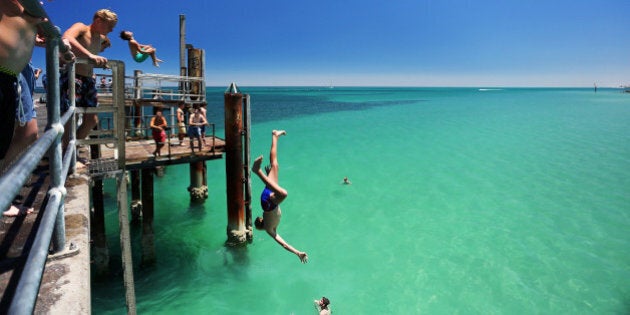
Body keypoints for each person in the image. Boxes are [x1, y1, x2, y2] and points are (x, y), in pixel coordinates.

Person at [0, 0, 47, 216]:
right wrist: (25, 15)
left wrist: (33, 33)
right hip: (5, 73)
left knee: (22, 135)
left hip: (10, 76)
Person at [61, 9, 118, 150]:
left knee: (92, 119)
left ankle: (71, 150)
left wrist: (100, 62)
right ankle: (65, 155)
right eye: (109, 26)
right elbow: (67, 37)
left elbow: (96, 51)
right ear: (98, 20)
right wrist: (90, 56)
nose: (111, 30)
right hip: (72, 76)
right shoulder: (81, 27)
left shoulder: (100, 38)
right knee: (70, 118)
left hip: (88, 80)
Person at [253, 130, 308, 263]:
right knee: (275, 165)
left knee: (284, 193)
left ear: (261, 226)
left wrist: (297, 252)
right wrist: (298, 253)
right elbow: (283, 243)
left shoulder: (269, 229)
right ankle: (275, 136)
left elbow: (283, 244)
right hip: (270, 197)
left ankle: (257, 171)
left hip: (269, 202)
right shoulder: (272, 228)